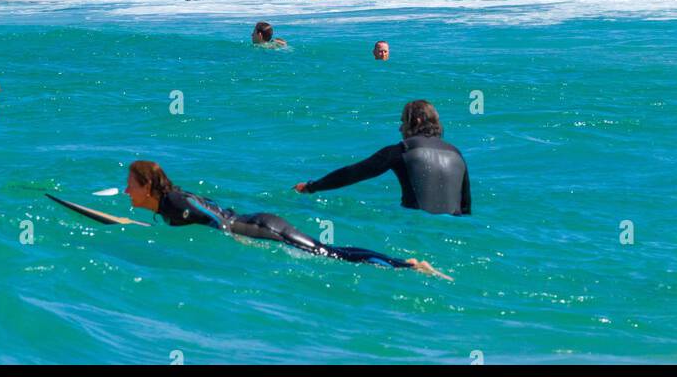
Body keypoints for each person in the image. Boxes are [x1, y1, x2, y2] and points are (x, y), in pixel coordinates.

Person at [123, 160, 448, 276]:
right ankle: (403, 265)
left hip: (262, 227)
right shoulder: (166, 204)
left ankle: (406, 265)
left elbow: (210, 214)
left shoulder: (175, 199)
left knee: (328, 253)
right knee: (327, 253)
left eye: (130, 185)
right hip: (257, 225)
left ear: (148, 186)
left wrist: (232, 236)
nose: (126, 192)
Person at [295, 100, 470, 216]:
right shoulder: (457, 155)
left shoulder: (403, 151)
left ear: (415, 122)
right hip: (455, 231)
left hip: (417, 230)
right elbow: (465, 208)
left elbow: (353, 173)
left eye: (403, 122)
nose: (400, 129)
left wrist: (312, 186)